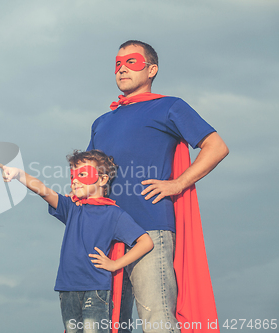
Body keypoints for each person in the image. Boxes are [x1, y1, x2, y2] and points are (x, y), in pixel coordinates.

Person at [87, 40, 229, 333]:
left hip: (149, 228)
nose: (122, 68)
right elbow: (90, 177)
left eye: (132, 62)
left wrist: (178, 183)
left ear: (151, 70)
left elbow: (216, 146)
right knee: (106, 325)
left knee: (157, 321)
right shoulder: (101, 122)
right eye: (118, 63)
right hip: (106, 235)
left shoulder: (169, 106)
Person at [0, 150, 154, 333]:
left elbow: (145, 242)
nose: (75, 180)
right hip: (67, 288)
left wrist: (115, 264)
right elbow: (44, 191)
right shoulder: (72, 208)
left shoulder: (114, 214)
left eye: (82, 174)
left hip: (95, 290)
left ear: (102, 180)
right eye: (72, 175)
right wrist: (19, 174)